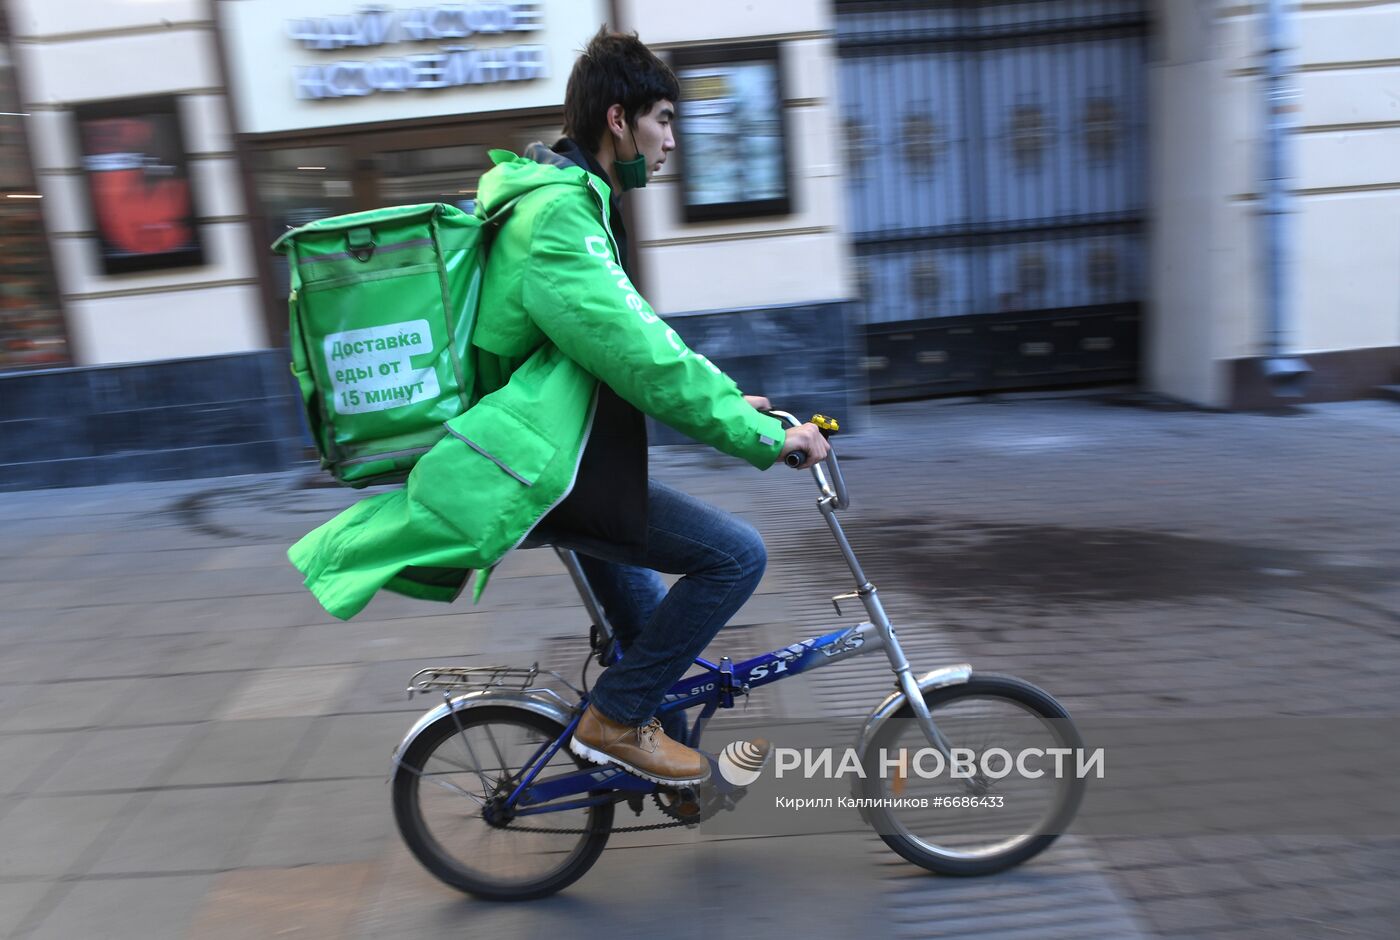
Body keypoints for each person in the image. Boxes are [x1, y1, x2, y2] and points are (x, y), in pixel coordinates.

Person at [470, 28, 828, 786]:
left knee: (645, 624)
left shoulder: (571, 204)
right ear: (618, 120)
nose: (671, 141)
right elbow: (642, 359)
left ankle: (673, 780)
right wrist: (764, 440)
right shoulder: (562, 218)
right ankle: (612, 723)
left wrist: (733, 401)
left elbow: (636, 337)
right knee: (736, 556)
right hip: (555, 471)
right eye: (663, 119)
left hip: (569, 461)